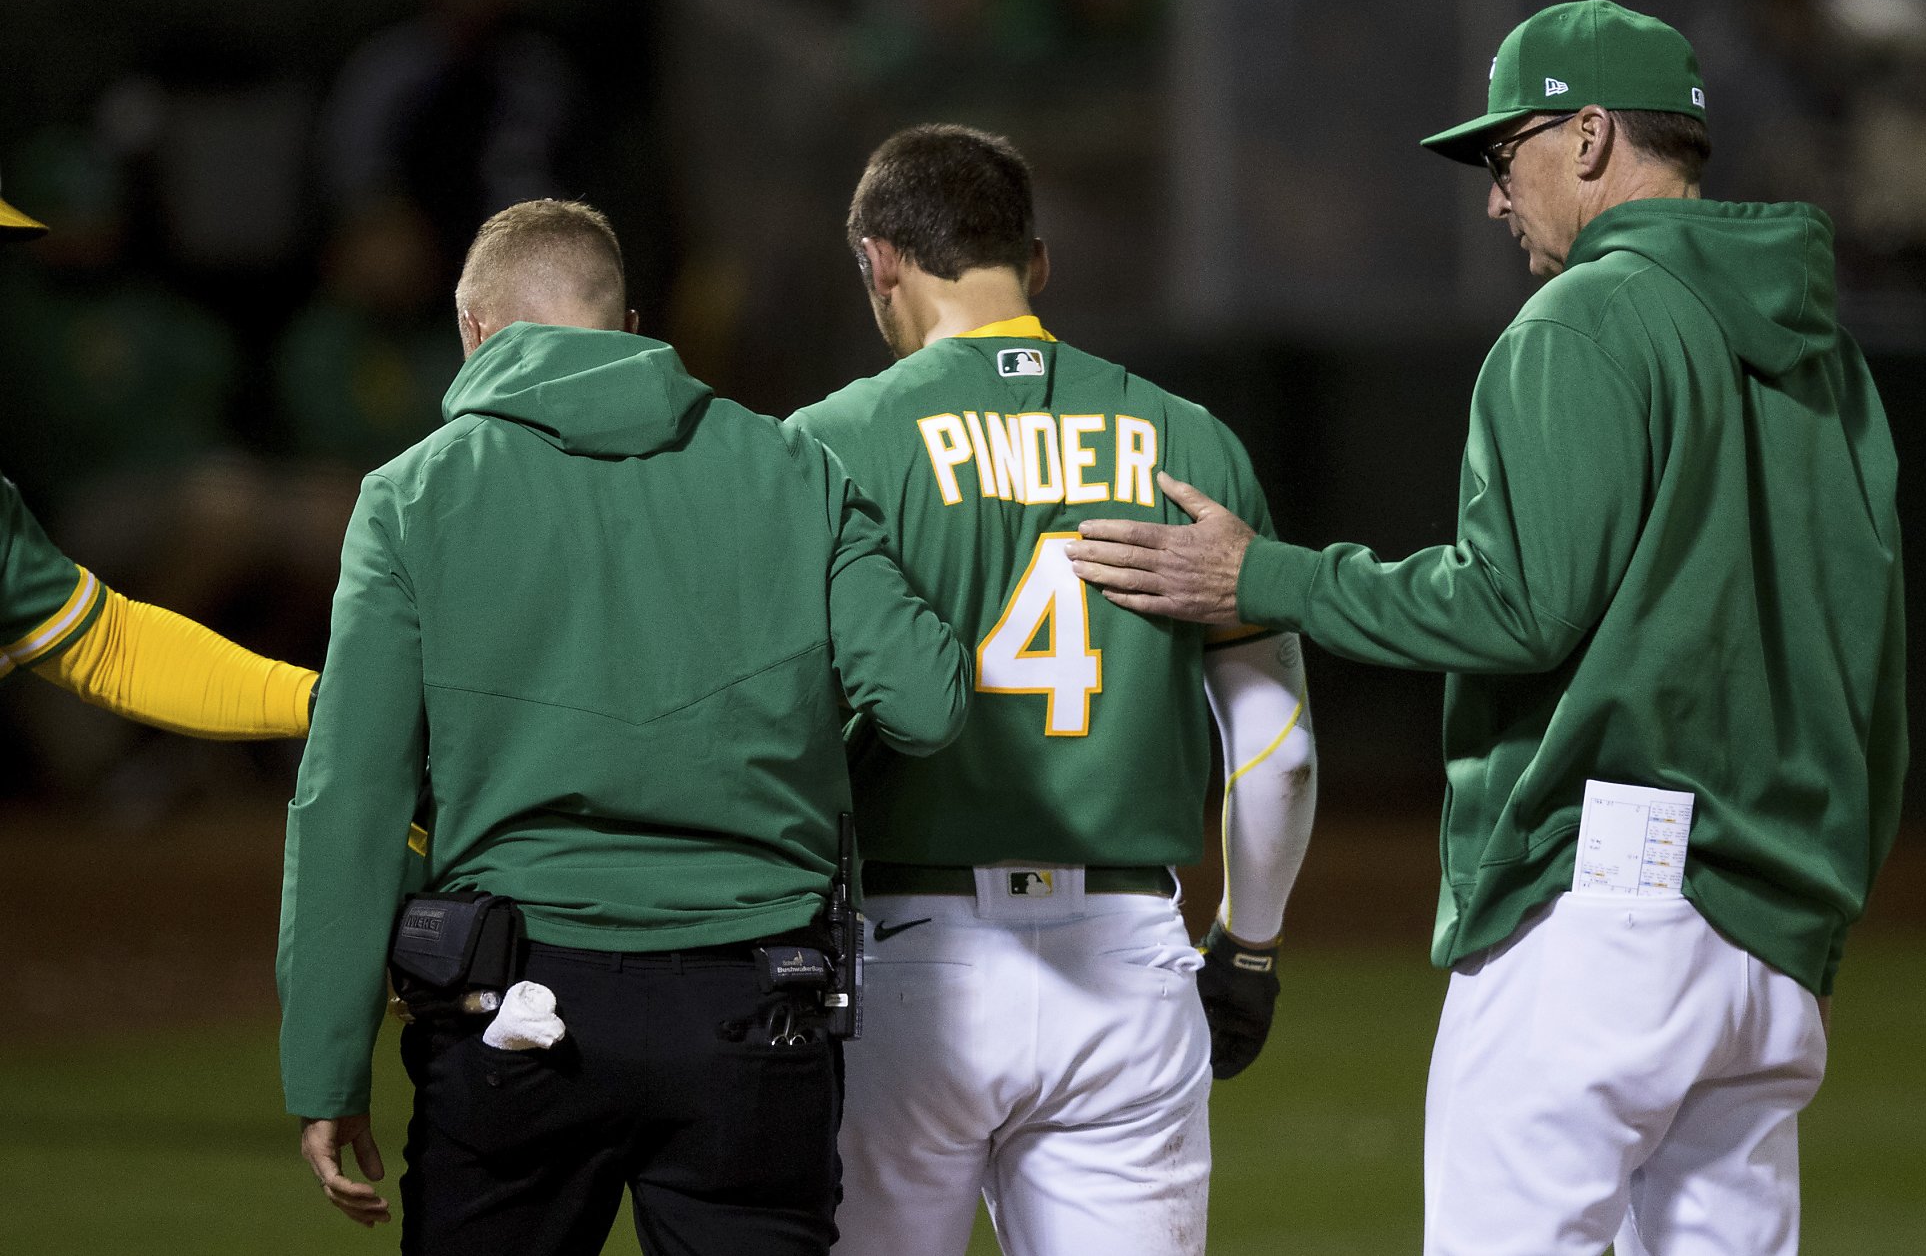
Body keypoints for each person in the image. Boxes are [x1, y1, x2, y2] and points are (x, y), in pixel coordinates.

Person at [1069, 0, 1906, 1255]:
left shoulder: (1583, 318)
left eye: (1502, 154)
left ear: (1583, 138)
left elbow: (1516, 605)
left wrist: (1265, 579)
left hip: (1605, 907)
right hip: (1773, 933)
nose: (1491, 197)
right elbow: (1864, 645)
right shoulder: (1820, 353)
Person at [278, 198, 971, 1254]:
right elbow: (925, 702)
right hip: (757, 1005)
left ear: (475, 331)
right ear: (636, 326)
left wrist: (325, 1068)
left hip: (510, 1011)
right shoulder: (791, 469)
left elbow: (352, 796)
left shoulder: (412, 495)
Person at [788, 125, 1317, 1256]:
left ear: (879, 262)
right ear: (1036, 265)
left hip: (903, 957)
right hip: (1124, 954)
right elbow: (1280, 750)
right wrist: (1250, 946)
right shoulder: (1191, 439)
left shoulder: (828, 447)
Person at [1, 171, 314, 742]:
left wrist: (315, 705)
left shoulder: (155, 312)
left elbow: (112, 647)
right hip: (90, 501)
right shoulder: (31, 325)